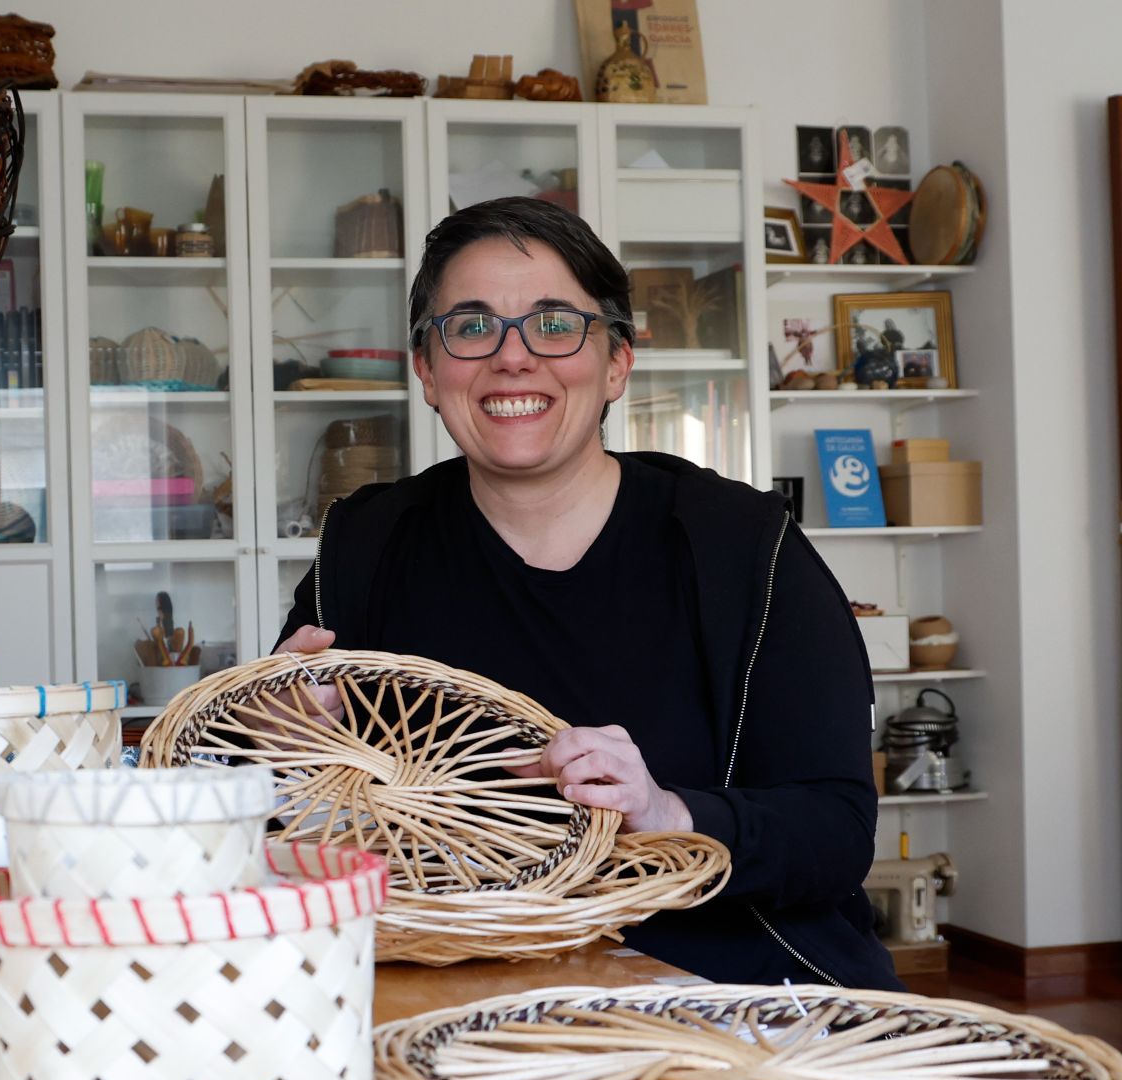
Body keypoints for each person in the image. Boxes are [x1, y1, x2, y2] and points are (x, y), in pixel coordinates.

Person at [274, 196, 899, 990]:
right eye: (470, 328)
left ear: (616, 363)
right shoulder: (366, 543)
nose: (512, 357)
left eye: (555, 323)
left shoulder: (743, 547)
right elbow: (278, 801)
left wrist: (670, 815)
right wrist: (272, 746)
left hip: (727, 984)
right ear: (428, 372)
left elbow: (838, 832)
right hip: (453, 985)